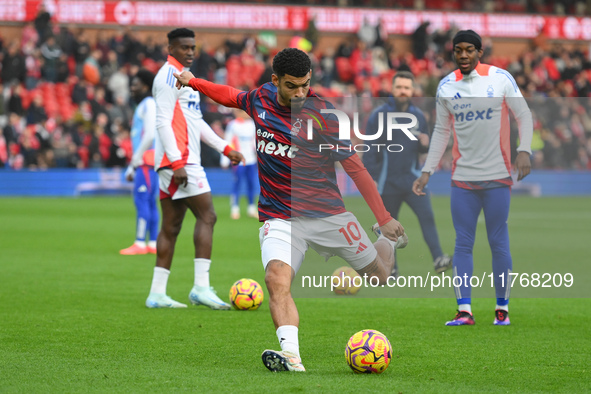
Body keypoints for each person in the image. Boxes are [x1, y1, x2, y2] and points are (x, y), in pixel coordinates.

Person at [174, 48, 407, 372]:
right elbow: (230, 96)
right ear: (275, 81)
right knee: (276, 280)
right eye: (292, 86)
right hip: (279, 214)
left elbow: (355, 168)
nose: (300, 93)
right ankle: (292, 357)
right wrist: (194, 82)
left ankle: (388, 240)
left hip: (328, 214)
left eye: (305, 85)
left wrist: (384, 219)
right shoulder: (260, 99)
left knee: (380, 277)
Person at [412, 30, 533, 326]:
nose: (463, 55)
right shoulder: (446, 86)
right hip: (463, 179)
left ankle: (501, 309)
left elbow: (524, 115)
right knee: (462, 244)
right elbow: (441, 132)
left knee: (498, 242)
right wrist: (427, 170)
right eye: (458, 50)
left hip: (497, 176)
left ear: (480, 52)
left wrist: (524, 150)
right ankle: (464, 310)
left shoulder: (500, 79)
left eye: (469, 50)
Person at [145, 28, 244, 310]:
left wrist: (224, 147)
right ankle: (201, 287)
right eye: (184, 47)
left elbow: (195, 120)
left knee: (171, 226)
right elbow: (162, 121)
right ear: (171, 47)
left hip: (176, 160)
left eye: (193, 47)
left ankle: (157, 293)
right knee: (208, 215)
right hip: (180, 161)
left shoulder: (187, 79)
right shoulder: (167, 77)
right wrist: (177, 163)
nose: (190, 52)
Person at [363, 71, 452, 275]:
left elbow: (423, 147)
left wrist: (424, 144)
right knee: (388, 230)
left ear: (412, 91)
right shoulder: (378, 116)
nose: (402, 91)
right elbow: (369, 150)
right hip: (387, 182)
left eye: (406, 88)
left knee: (427, 217)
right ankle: (390, 268)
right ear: (392, 89)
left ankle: (438, 258)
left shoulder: (419, 116)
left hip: (413, 181)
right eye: (399, 87)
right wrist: (372, 179)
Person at [120, 69, 159, 256]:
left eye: (135, 85)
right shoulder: (146, 104)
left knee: (143, 201)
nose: (132, 88)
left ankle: (140, 242)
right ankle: (152, 243)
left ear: (144, 86)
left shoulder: (148, 104)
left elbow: (150, 134)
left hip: (145, 163)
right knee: (151, 202)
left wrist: (134, 162)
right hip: (150, 162)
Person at [220, 109, 258, 220]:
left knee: (251, 184)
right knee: (237, 184)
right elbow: (228, 141)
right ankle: (235, 209)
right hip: (238, 160)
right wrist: (225, 160)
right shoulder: (233, 125)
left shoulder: (252, 125)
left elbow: (255, 142)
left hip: (251, 160)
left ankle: (251, 208)